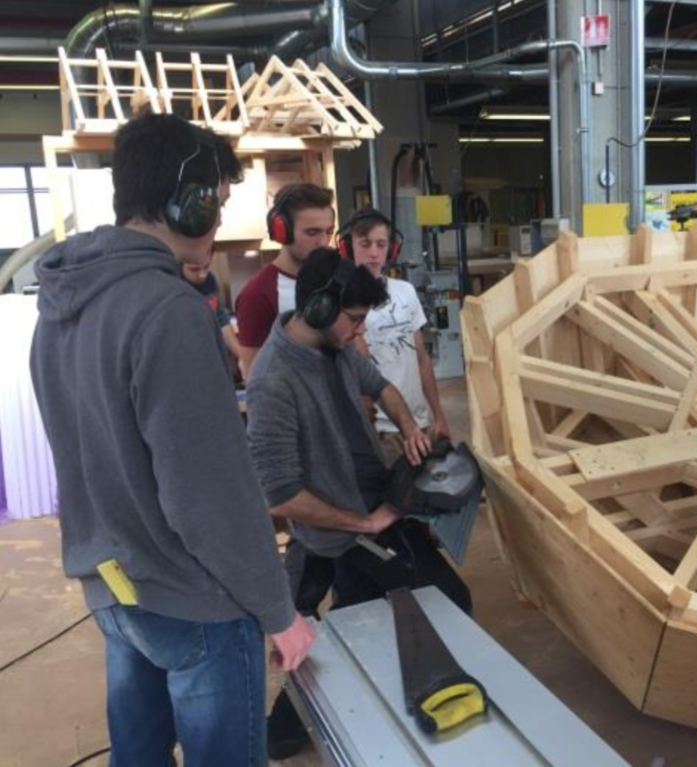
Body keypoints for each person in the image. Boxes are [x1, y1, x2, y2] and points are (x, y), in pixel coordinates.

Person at [29, 113, 315, 767]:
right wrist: (278, 610)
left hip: (115, 587)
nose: (215, 221)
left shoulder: (61, 305)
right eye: (212, 203)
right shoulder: (168, 311)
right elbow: (207, 495)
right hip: (195, 605)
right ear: (182, 202)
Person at [246, 247, 471, 758]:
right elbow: (280, 495)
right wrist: (364, 524)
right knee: (440, 604)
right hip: (342, 530)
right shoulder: (272, 382)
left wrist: (411, 427)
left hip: (371, 508)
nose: (359, 331)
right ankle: (290, 729)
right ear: (319, 309)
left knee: (358, 617)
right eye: (353, 320)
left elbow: (382, 386)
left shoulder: (338, 347)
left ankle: (283, 731)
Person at [340, 208, 451, 463]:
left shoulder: (406, 292)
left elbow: (421, 358)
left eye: (381, 244)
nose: (374, 253)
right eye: (365, 244)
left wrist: (439, 415)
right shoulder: (343, 302)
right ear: (348, 247)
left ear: (391, 249)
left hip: (418, 422)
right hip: (378, 430)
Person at [234, 183, 336, 378]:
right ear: (282, 231)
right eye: (312, 232)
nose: (323, 242)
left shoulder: (335, 278)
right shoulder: (257, 295)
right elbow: (255, 377)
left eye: (329, 231)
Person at [181, 249, 243, 375]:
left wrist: (242, 355)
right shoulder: (174, 287)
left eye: (206, 267)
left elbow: (221, 319)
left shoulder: (210, 281)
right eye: (194, 269)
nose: (202, 274)